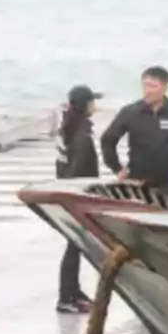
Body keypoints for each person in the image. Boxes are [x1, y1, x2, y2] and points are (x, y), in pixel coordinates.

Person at [100, 66, 168, 211]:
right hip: (137, 182)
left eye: (153, 86)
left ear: (164, 87)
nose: (147, 90)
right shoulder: (130, 112)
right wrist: (117, 168)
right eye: (145, 85)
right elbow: (108, 140)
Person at [54, 84, 102, 314]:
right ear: (84, 105)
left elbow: (61, 165)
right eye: (92, 101)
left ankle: (74, 291)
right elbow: (77, 169)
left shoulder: (67, 126)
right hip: (77, 196)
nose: (95, 105)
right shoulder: (81, 133)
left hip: (68, 192)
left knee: (76, 245)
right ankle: (66, 298)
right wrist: (80, 197)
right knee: (75, 245)